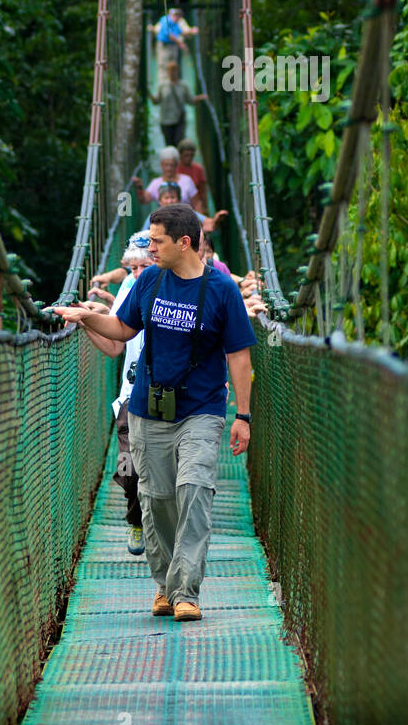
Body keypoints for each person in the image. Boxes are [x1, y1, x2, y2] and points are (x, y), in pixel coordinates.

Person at [52, 203, 255, 623]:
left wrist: (244, 416)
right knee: (157, 500)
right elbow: (122, 330)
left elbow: (238, 354)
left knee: (195, 491)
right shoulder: (147, 282)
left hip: (202, 409)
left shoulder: (222, 289)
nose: (149, 247)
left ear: (184, 242)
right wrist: (86, 316)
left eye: (157, 240)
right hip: (148, 409)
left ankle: (186, 592)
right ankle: (165, 585)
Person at [81, 232, 154, 555]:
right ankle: (137, 521)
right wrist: (85, 320)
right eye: (132, 267)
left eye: (144, 266)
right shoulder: (127, 287)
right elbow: (113, 347)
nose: (137, 274)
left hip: (167, 392)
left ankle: (163, 533)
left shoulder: (173, 289)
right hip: (130, 395)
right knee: (130, 469)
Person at [150, 61, 206, 148]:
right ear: (167, 72)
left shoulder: (183, 86)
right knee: (169, 144)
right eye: (170, 71)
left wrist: (200, 98)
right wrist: (150, 97)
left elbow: (190, 100)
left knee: (179, 143)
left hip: (179, 119)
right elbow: (157, 101)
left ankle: (178, 160)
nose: (172, 73)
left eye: (174, 71)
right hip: (165, 120)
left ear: (177, 71)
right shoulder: (162, 86)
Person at [133, 146, 200, 210]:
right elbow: (144, 200)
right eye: (166, 165)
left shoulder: (186, 180)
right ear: (161, 165)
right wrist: (140, 188)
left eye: (171, 165)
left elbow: (197, 204)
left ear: (176, 165)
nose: (169, 168)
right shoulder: (156, 183)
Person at [147, 7, 199, 82]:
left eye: (178, 15)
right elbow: (168, 34)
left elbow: (180, 32)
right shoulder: (165, 20)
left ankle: (172, 83)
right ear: (171, 15)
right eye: (175, 15)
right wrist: (180, 43)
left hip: (173, 46)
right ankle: (163, 84)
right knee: (163, 65)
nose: (177, 17)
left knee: (173, 66)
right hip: (164, 46)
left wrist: (191, 31)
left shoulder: (176, 23)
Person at [177, 138, 209, 212]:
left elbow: (202, 191)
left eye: (191, 155)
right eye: (186, 155)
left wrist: (205, 208)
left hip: (195, 207)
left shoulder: (198, 169)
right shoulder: (175, 169)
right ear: (180, 154)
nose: (189, 158)